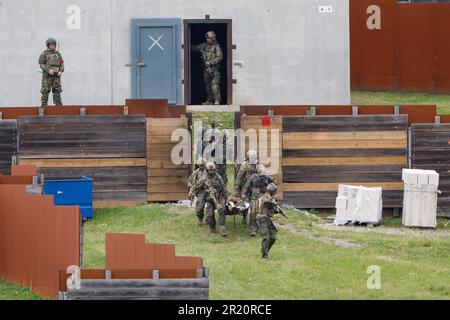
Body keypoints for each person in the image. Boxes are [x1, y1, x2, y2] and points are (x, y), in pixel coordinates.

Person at [191, 162, 229, 237]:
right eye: (209, 170)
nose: (211, 172)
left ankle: (222, 227)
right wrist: (191, 192)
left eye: (212, 170)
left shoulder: (218, 177)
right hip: (209, 198)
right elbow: (196, 185)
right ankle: (212, 229)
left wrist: (227, 197)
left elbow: (223, 187)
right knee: (209, 214)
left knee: (222, 210)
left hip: (219, 197)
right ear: (207, 170)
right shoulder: (204, 178)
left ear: (214, 170)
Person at [242, 164, 276, 236]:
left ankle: (263, 228)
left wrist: (270, 191)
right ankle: (253, 229)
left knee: (264, 213)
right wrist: (244, 195)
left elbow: (274, 183)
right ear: (257, 171)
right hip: (254, 197)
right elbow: (246, 186)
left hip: (263, 197)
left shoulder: (266, 176)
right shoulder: (253, 177)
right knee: (253, 212)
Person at [192, 31, 223, 105]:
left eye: (209, 38)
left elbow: (220, 57)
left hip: (214, 69)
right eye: (207, 38)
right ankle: (209, 100)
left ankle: (217, 100)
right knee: (207, 86)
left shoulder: (217, 47)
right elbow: (195, 48)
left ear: (213, 38)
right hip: (206, 69)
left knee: (214, 86)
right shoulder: (204, 45)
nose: (207, 40)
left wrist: (210, 62)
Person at [256, 183, 282, 259]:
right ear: (271, 191)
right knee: (266, 238)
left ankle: (265, 250)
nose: (275, 192)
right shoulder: (264, 197)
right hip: (262, 218)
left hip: (269, 219)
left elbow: (273, 209)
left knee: (273, 237)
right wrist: (274, 202)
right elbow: (265, 202)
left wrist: (277, 209)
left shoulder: (272, 198)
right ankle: (264, 256)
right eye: (275, 191)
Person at [38, 38, 64, 106]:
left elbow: (62, 63)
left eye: (54, 45)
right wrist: (48, 70)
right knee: (45, 92)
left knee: (57, 92)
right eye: (51, 45)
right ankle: (44, 107)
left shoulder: (58, 54)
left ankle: (59, 107)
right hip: (47, 77)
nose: (53, 46)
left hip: (56, 77)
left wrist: (60, 71)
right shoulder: (44, 54)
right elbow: (41, 64)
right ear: (48, 45)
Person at [188, 158, 208, 226]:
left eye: (203, 165)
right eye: (200, 165)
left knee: (211, 206)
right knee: (199, 207)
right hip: (201, 191)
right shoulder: (195, 173)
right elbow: (190, 182)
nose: (201, 166)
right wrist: (191, 191)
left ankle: (210, 220)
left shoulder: (210, 171)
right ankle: (200, 218)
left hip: (209, 191)